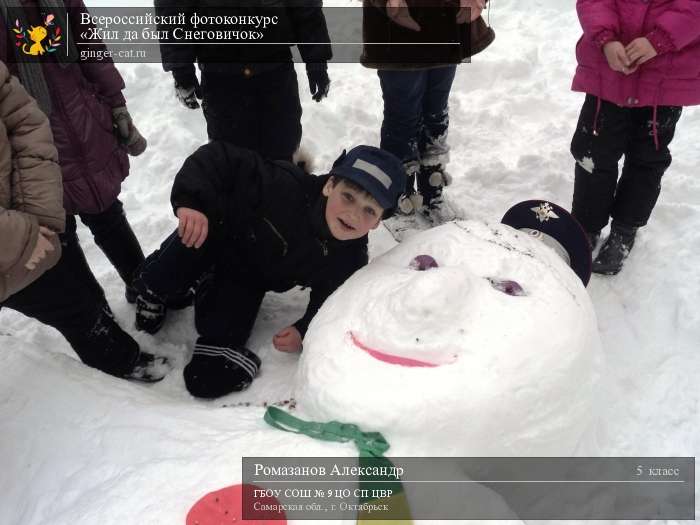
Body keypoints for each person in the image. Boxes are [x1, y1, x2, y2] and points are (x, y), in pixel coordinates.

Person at [133, 144, 405, 398]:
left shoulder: (350, 255)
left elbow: (332, 299)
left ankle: (203, 286)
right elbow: (220, 158)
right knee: (159, 277)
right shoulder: (283, 185)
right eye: (348, 196)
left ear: (378, 222)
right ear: (330, 185)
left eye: (369, 210)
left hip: (245, 276)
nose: (354, 214)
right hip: (212, 233)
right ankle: (153, 293)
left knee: (211, 369)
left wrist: (303, 328)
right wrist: (191, 203)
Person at [0, 60, 168, 381]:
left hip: (72, 131)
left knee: (97, 220)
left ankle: (137, 298)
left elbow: (22, 114)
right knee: (66, 275)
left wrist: (113, 103)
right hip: (21, 204)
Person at [0, 0, 148, 302]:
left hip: (85, 125)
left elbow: (89, 42)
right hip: (33, 150)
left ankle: (146, 288)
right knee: (59, 238)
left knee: (108, 213)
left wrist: (116, 104)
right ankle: (98, 317)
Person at [570, 0, 700, 274]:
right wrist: (605, 37)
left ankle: (624, 231)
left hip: (664, 76)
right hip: (608, 71)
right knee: (592, 153)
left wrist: (660, 40)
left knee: (646, 160)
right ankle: (585, 226)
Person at [361, 0, 494, 221]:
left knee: (436, 112)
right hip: (397, 31)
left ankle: (432, 190)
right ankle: (398, 200)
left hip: (447, 25)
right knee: (402, 118)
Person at [154, 0, 332, 161]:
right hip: (221, 75)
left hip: (275, 69)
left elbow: (306, 6)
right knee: (231, 162)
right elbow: (172, 9)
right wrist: (181, 69)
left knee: (284, 152)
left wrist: (316, 59)